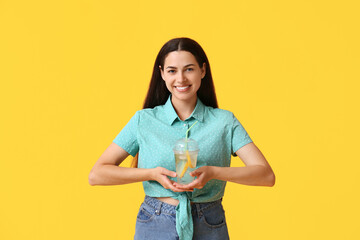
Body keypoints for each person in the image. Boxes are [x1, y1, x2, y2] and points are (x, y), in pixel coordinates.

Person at [88, 37, 276, 240]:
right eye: (172, 71)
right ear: (162, 73)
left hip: (209, 223)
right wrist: (151, 174)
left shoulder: (224, 122)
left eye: (189, 69)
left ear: (202, 70)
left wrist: (213, 172)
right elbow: (97, 175)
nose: (181, 79)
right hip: (155, 222)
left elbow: (266, 176)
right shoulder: (144, 120)